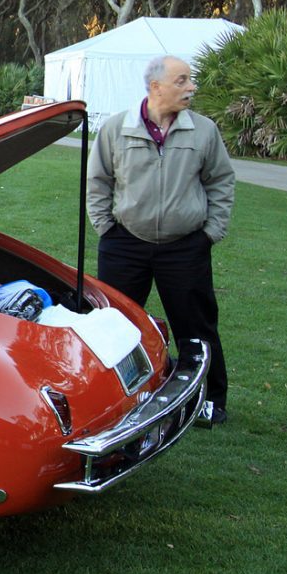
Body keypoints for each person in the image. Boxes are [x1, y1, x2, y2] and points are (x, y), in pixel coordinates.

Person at [86, 55, 236, 424]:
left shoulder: (203, 131)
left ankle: (209, 399)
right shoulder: (116, 128)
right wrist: (106, 227)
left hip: (185, 246)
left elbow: (220, 181)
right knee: (114, 326)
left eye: (190, 80)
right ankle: (111, 401)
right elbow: (98, 181)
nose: (191, 88)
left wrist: (209, 233)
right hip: (125, 244)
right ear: (156, 87)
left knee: (196, 326)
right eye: (182, 81)